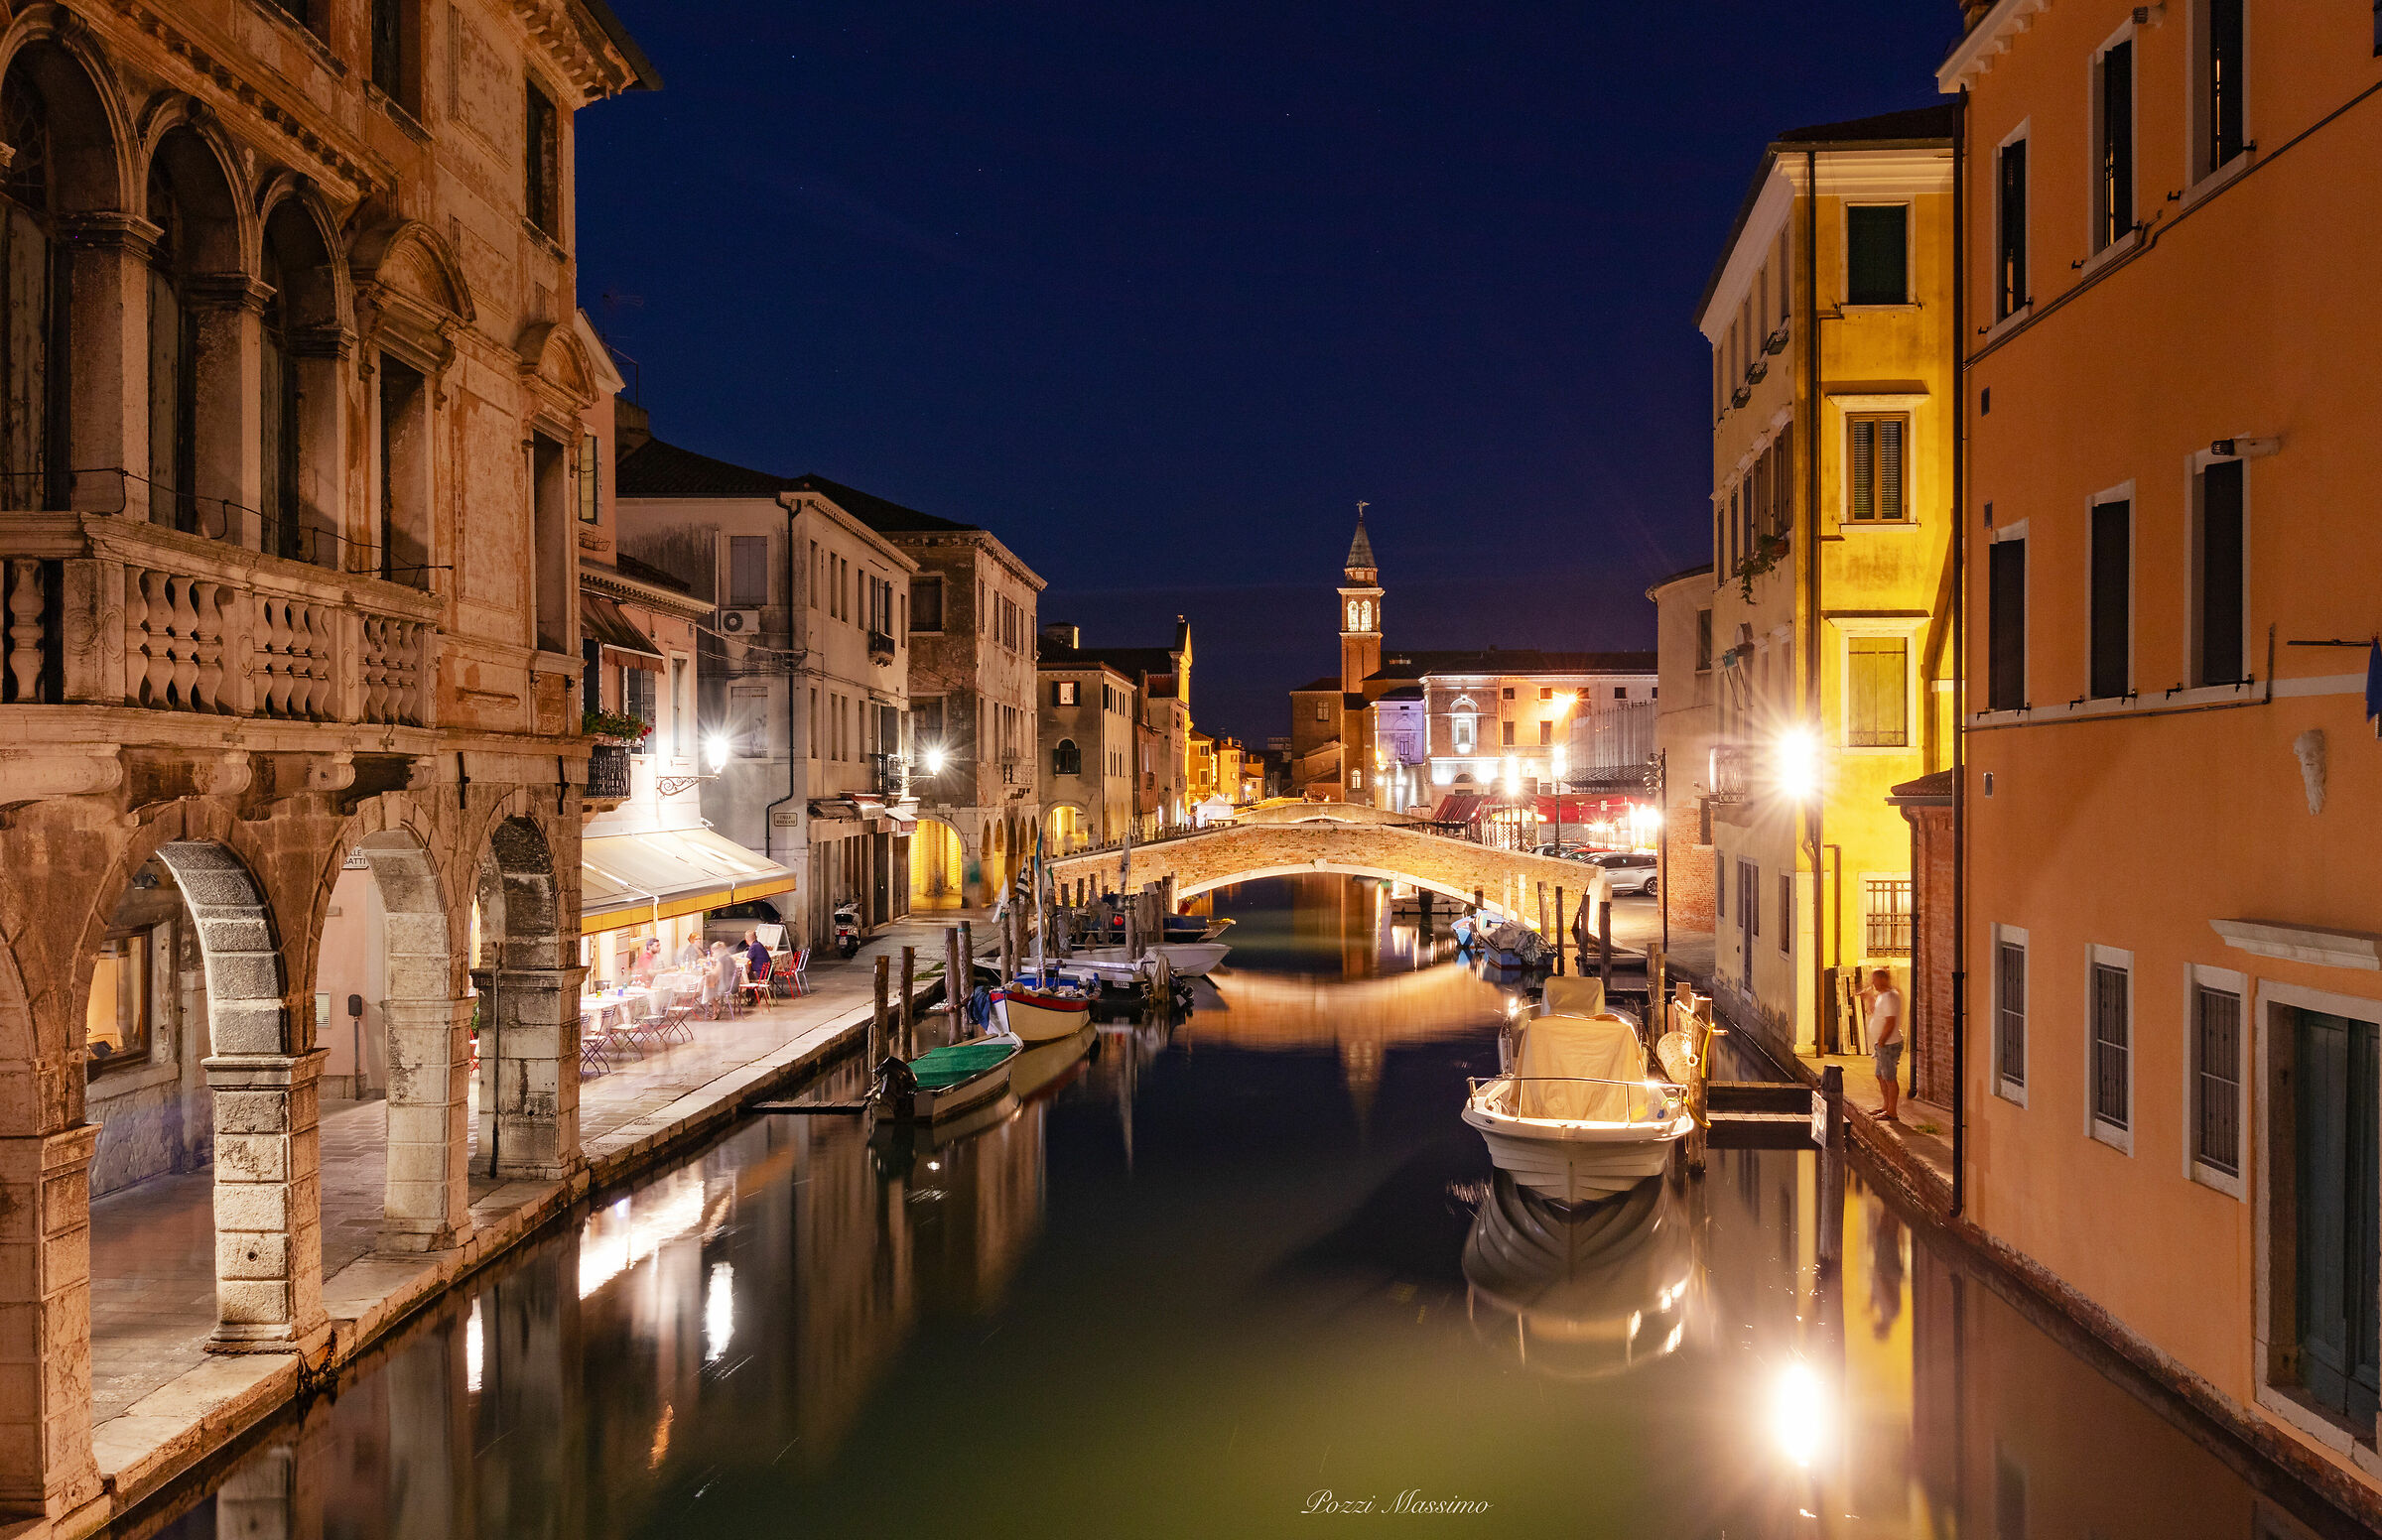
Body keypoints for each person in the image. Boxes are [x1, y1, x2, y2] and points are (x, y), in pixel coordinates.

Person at [1863, 966, 1905, 1123]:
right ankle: (1886, 1106)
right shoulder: (1882, 996)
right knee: (1880, 1075)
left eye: (1874, 980)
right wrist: (1869, 999)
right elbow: (1877, 1013)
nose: (1872, 983)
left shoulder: (1890, 997)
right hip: (1881, 1044)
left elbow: (1890, 1021)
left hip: (1888, 1044)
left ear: (1882, 979)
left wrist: (1881, 1041)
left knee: (1889, 1077)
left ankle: (1892, 1111)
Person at [743, 929, 772, 995]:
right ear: (756, 937)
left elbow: (747, 960)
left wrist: (737, 959)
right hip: (767, 974)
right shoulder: (759, 944)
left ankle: (751, 995)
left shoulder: (753, 947)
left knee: (743, 976)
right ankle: (755, 995)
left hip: (761, 974)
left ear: (746, 940)